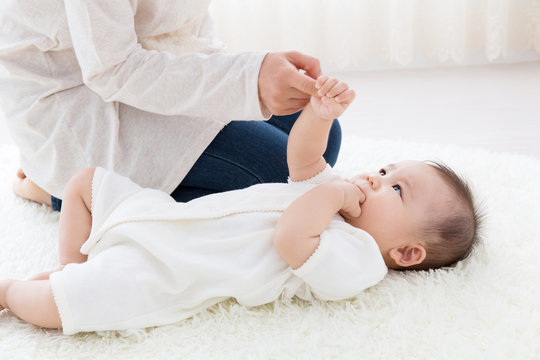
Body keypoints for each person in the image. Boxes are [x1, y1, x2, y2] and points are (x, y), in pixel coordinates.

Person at [0, 76, 481, 335]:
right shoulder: (328, 196)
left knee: (58, 308)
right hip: (165, 218)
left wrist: (332, 194)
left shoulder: (356, 261)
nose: (375, 178)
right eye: (384, 170)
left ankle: (13, 292)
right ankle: (73, 265)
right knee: (86, 183)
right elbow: (304, 157)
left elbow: (291, 238)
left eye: (395, 190)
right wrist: (317, 115)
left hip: (171, 270)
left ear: (407, 253)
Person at [0, 0, 341, 211]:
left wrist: (252, 77)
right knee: (280, 178)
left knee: (322, 137)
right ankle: (63, 193)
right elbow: (111, 70)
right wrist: (247, 80)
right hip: (74, 94)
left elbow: (183, 22)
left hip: (144, 65)